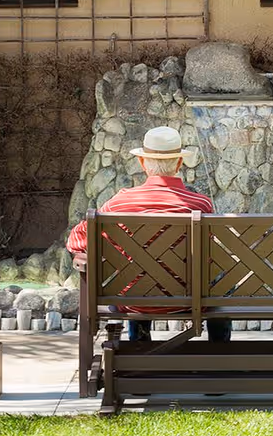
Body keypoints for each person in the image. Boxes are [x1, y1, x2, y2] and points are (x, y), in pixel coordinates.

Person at [66, 126, 232, 344]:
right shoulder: (200, 205)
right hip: (190, 300)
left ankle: (139, 346)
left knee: (138, 272)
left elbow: (77, 241)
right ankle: (219, 352)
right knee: (220, 281)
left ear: (142, 163)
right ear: (179, 164)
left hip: (135, 301)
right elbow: (213, 254)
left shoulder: (118, 204)